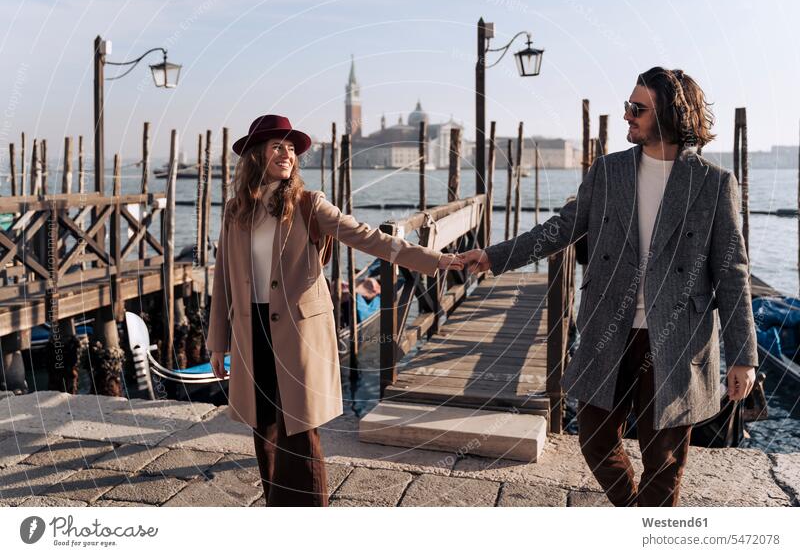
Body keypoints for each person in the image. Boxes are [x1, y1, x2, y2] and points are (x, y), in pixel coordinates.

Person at [458, 67, 758, 507]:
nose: (627, 116)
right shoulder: (609, 171)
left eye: (637, 109)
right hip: (609, 328)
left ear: (670, 115)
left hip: (678, 337)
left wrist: (744, 358)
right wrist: (492, 256)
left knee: (664, 459)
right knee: (595, 439)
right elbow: (562, 229)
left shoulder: (714, 184)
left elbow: (733, 271)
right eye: (627, 107)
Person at [205, 114, 464, 506]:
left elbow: (368, 238)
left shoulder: (309, 204)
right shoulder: (235, 211)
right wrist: (217, 342)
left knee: (300, 431)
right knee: (265, 428)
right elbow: (223, 279)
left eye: (291, 148)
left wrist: (435, 260)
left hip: (298, 331)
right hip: (250, 330)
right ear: (257, 155)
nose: (287, 154)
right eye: (278, 146)